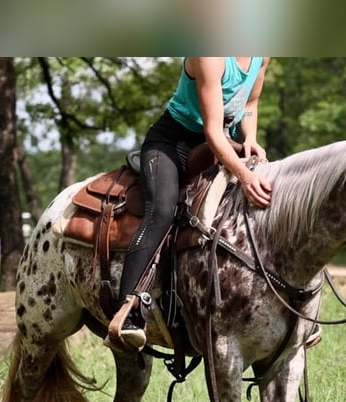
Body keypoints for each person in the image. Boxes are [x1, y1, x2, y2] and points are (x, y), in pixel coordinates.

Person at [105, 57, 272, 352]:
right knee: (162, 210)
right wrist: (244, 175)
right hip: (174, 144)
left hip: (223, 143)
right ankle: (126, 312)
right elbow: (212, 131)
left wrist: (250, 140)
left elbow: (250, 103)